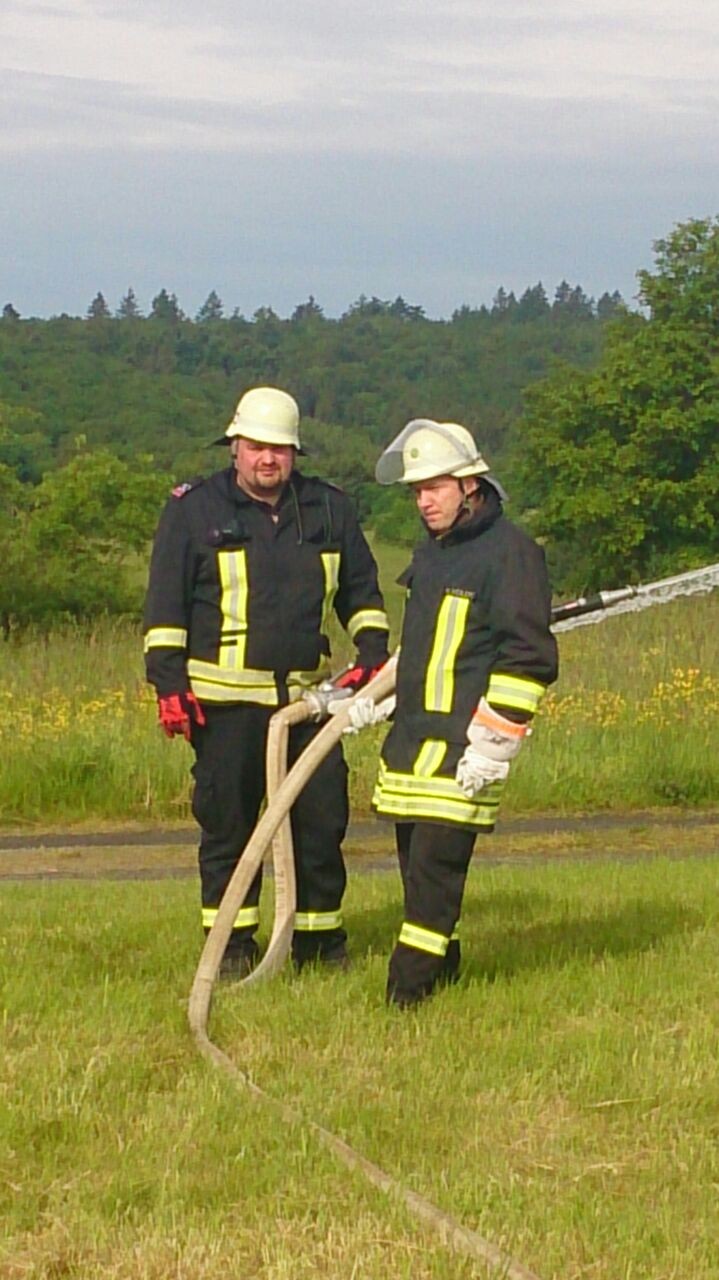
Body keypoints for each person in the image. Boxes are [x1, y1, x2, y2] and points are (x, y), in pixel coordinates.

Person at [143, 386, 390, 977]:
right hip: (224, 707)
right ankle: (231, 947)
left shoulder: (330, 509)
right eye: (256, 447)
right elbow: (165, 607)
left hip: (309, 705)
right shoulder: (193, 511)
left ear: (295, 452)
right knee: (230, 828)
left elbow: (362, 594)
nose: (267, 460)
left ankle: (320, 944)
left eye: (279, 449)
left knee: (320, 822)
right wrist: (168, 683)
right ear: (234, 446)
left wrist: (373, 651)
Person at [351, 419, 558, 1007]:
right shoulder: (433, 553)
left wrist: (495, 744)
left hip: (463, 754)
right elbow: (422, 650)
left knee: (435, 879)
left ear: (470, 484)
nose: (423, 501)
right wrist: (376, 696)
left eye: (434, 487)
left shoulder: (512, 554)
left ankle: (405, 996)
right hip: (412, 747)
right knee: (420, 881)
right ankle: (447, 975)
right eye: (417, 490)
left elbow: (529, 657)